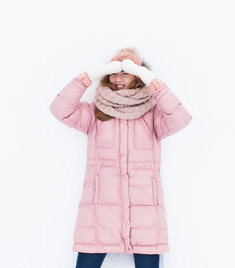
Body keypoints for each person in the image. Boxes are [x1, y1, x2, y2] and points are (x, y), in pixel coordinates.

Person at [50, 47, 192, 268]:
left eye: (125, 72)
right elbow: (60, 109)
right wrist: (91, 74)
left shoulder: (152, 113)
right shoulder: (95, 112)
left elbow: (180, 118)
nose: (117, 78)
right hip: (98, 214)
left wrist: (151, 79)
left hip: (145, 216)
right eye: (113, 73)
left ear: (138, 75)